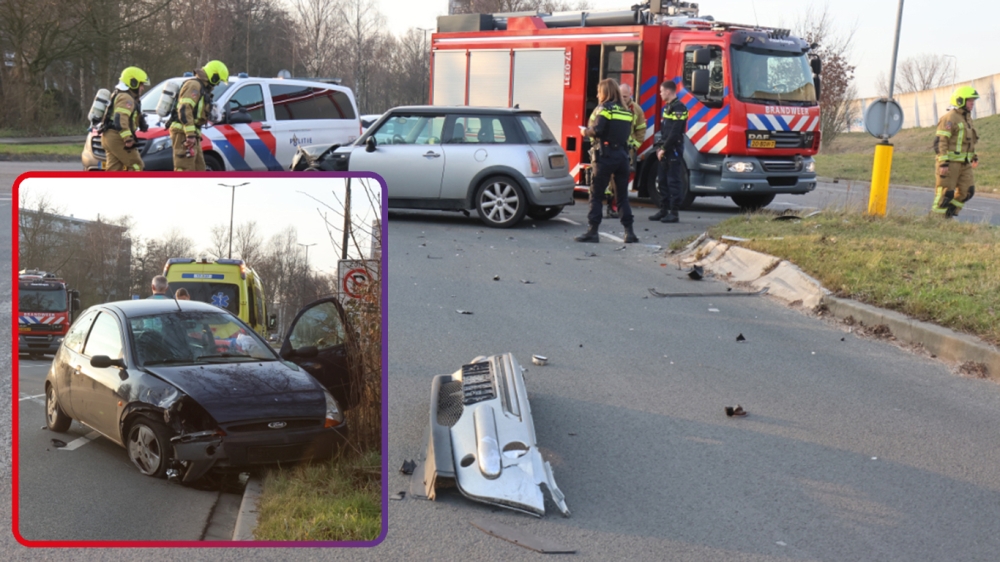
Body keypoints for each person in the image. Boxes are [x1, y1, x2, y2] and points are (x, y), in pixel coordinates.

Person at [575, 79, 638, 243]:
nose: (597, 95)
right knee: (622, 196)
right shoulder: (626, 110)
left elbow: (598, 130)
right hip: (622, 157)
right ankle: (629, 232)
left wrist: (585, 132)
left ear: (605, 92)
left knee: (596, 195)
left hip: (605, 156)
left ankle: (593, 231)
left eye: (599, 92)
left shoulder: (604, 109)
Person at [170, 60, 229, 171]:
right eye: (218, 80)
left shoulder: (202, 87)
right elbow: (184, 109)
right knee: (185, 169)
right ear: (214, 75)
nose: (217, 84)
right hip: (183, 133)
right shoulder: (194, 85)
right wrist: (190, 134)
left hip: (192, 134)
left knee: (199, 169)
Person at [932, 86, 980, 218]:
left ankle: (948, 215)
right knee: (945, 193)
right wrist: (943, 162)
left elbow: (968, 141)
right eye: (970, 100)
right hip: (949, 164)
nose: (973, 104)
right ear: (960, 101)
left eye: (973, 101)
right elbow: (941, 141)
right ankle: (936, 220)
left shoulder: (967, 118)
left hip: (964, 164)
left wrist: (973, 156)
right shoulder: (949, 118)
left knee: (967, 192)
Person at [650, 80, 689, 223]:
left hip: (673, 150)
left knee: (673, 181)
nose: (660, 94)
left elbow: (675, 132)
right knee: (662, 181)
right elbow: (665, 131)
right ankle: (663, 210)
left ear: (668, 91)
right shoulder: (668, 107)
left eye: (661, 91)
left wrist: (664, 149)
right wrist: (660, 148)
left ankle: (674, 212)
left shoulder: (679, 108)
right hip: (665, 149)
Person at [100, 67, 150, 172]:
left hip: (109, 137)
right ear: (133, 83)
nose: (142, 88)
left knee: (114, 169)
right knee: (136, 165)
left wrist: (141, 122)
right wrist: (127, 138)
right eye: (141, 84)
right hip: (117, 137)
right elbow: (120, 119)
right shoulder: (126, 98)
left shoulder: (120, 94)